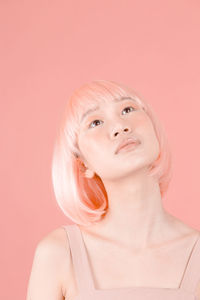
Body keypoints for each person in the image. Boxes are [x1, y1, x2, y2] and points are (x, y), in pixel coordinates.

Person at [26, 80, 200, 300]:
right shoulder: (58, 253)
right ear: (83, 165)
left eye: (128, 109)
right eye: (95, 122)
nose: (120, 126)